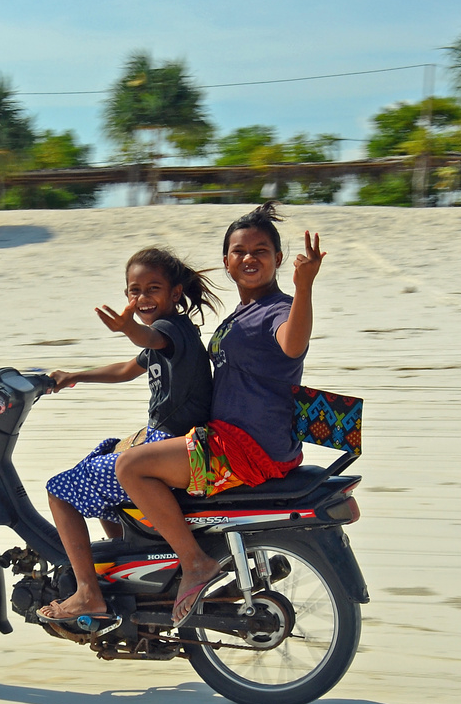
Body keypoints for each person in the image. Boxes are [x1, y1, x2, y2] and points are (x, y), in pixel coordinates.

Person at [115, 203, 326, 624]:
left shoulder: (278, 309)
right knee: (121, 449)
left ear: (279, 259)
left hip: (244, 447)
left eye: (261, 250)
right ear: (227, 262)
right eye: (239, 251)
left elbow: (292, 345)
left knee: (130, 468)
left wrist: (304, 288)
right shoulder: (241, 313)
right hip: (233, 436)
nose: (250, 258)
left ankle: (194, 562)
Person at [39, 247, 219, 622]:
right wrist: (75, 375)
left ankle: (89, 592)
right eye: (134, 291)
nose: (142, 298)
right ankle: (131, 566)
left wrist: (128, 328)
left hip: (172, 446)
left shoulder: (171, 330)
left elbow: (147, 340)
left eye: (153, 288)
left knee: (60, 491)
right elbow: (126, 368)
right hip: (166, 441)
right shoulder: (169, 335)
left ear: (175, 293)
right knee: (101, 456)